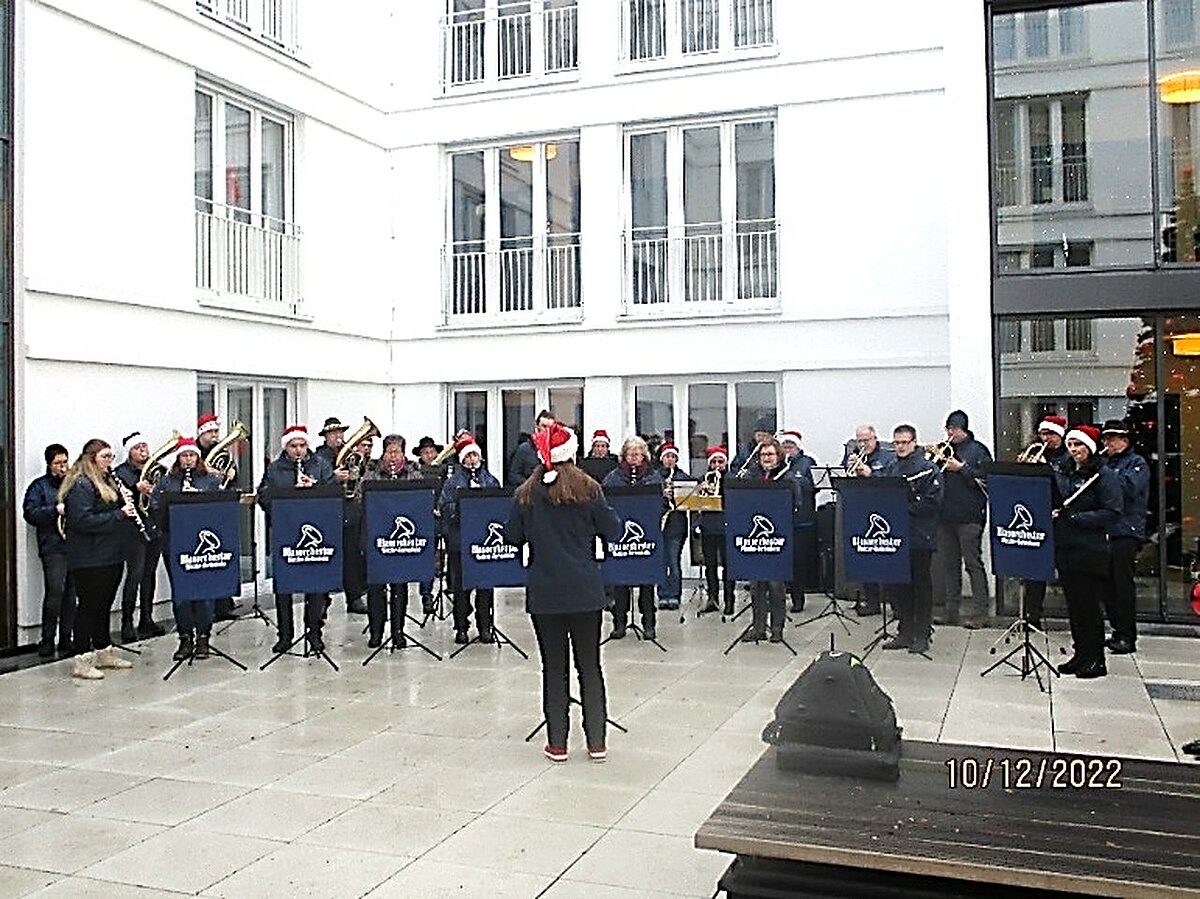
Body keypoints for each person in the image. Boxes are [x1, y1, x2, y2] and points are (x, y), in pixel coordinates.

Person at [505, 423, 621, 763]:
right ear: (573, 452)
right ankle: (597, 742)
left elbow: (512, 536)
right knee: (590, 666)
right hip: (585, 590)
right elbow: (613, 529)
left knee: (554, 668)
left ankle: (557, 743)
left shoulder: (526, 493)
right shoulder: (590, 489)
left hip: (545, 592)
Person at [60, 439, 138, 679]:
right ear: (91, 458)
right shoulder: (81, 484)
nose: (109, 462)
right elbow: (81, 521)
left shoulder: (106, 481)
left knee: (104, 605)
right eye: (105, 457)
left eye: (111, 457)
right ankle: (82, 658)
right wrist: (118, 515)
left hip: (110, 554)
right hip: (89, 557)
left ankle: (104, 650)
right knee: (88, 607)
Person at [256, 425, 336, 654]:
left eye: (302, 445)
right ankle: (285, 634)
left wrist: (314, 489)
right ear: (286, 448)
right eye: (293, 446)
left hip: (315, 533)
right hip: (286, 533)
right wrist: (289, 494)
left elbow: (332, 493)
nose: (298, 450)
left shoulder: (319, 465)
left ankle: (314, 633)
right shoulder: (275, 469)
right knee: (284, 587)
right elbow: (264, 496)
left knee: (315, 586)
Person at [1053, 425, 1121, 680]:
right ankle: (1080, 654)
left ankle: (1095, 659)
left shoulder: (1104, 476)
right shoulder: (1067, 473)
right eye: (1070, 445)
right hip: (1067, 547)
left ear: (1090, 447)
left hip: (1091, 549)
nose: (1073, 450)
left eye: (1078, 445)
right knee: (1075, 607)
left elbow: (1113, 512)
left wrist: (1077, 517)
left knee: (1089, 607)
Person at [151, 438, 222, 661]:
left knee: (204, 592)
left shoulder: (209, 480)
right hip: (176, 542)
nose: (188, 460)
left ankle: (203, 637)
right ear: (178, 458)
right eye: (184, 456)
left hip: (201, 545)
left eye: (192, 455)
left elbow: (219, 509)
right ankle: (184, 637)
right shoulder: (166, 481)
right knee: (181, 593)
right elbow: (155, 507)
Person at [882, 425, 943, 654]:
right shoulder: (891, 467)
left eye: (904, 442)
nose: (900, 447)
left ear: (914, 442)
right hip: (896, 535)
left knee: (921, 585)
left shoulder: (928, 468)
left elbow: (933, 503)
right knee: (899, 586)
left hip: (919, 534)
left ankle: (922, 633)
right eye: (896, 443)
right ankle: (905, 631)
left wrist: (906, 505)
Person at [933, 410, 993, 627]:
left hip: (970, 517)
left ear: (964, 429)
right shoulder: (943, 449)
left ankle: (981, 612)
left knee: (973, 564)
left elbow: (986, 481)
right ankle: (951, 610)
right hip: (945, 515)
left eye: (955, 429)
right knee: (949, 565)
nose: (951, 433)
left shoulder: (978, 451)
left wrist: (962, 469)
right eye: (948, 429)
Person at [439, 433, 501, 644]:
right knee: (461, 587)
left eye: (475, 455)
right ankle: (461, 626)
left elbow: (496, 508)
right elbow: (445, 507)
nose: (472, 460)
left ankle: (485, 626)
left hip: (483, 543)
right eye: (468, 456)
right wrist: (463, 505)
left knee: (485, 587)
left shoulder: (490, 480)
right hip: (460, 541)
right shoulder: (453, 483)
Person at [364, 434, 423, 648]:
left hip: (401, 543)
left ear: (403, 454)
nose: (392, 456)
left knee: (400, 586)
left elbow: (421, 500)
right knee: (376, 587)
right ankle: (376, 631)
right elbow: (362, 497)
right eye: (389, 451)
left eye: (397, 452)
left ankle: (398, 631)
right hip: (377, 538)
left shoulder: (413, 472)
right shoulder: (372, 472)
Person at [602, 435, 663, 639]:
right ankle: (619, 623)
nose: (634, 458)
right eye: (630, 454)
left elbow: (660, 504)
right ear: (624, 456)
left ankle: (649, 623)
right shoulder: (613, 477)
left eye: (638, 454)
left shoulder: (653, 476)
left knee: (647, 583)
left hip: (646, 537)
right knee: (620, 582)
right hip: (620, 538)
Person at [1100, 419, 1150, 655]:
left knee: (1122, 584)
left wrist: (1104, 471)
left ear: (1124, 441)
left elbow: (1129, 489)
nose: (1108, 443)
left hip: (1126, 530)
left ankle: (1128, 635)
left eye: (1112, 439)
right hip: (1106, 530)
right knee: (1107, 585)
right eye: (1106, 439)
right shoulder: (1105, 463)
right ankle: (1116, 631)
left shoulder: (1136, 463)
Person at [22, 443, 76, 657]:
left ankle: (66, 638)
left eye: (65, 462)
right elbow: (30, 513)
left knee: (71, 595)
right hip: (53, 546)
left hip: (73, 544)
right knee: (55, 592)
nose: (63, 467)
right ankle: (47, 639)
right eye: (58, 463)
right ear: (49, 465)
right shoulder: (39, 487)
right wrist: (55, 510)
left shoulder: (73, 484)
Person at [739, 438, 794, 643]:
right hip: (757, 542)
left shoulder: (786, 476)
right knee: (757, 585)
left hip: (778, 539)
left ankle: (777, 628)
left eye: (770, 454)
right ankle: (758, 627)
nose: (766, 459)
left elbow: (795, 501)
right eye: (763, 455)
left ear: (778, 456)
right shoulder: (753, 476)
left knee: (776, 585)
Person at [113, 432, 165, 641]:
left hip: (153, 526)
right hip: (133, 530)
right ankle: (127, 622)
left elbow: (163, 491)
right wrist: (137, 489)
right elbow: (117, 497)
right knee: (135, 574)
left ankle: (146, 618)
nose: (143, 451)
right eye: (138, 448)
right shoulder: (120, 473)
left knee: (149, 575)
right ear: (129, 452)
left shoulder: (155, 470)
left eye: (145, 447)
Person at [1020, 415, 1069, 630]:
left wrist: (1046, 468)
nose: (1046, 438)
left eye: (1050, 434)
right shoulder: (1036, 452)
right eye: (1043, 434)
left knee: (1066, 569)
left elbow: (1065, 488)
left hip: (1061, 518)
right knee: (1033, 571)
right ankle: (1032, 617)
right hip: (1037, 517)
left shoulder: (1069, 457)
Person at [843, 424, 896, 615]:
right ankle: (871, 602)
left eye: (866, 440)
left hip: (884, 513)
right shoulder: (854, 455)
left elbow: (892, 481)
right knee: (865, 556)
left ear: (875, 439)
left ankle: (896, 604)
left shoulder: (888, 457)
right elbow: (845, 479)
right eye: (859, 441)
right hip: (861, 510)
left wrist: (870, 473)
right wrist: (850, 468)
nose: (863, 444)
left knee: (888, 559)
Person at [777, 430, 817, 613]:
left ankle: (798, 598)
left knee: (799, 561)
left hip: (802, 520)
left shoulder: (807, 463)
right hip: (781, 520)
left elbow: (814, 487)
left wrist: (795, 478)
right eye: (784, 446)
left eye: (790, 446)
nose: (787, 450)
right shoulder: (779, 465)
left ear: (797, 447)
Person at [339, 432, 375, 616]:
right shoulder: (345, 462)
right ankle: (354, 596)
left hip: (367, 513)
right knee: (352, 556)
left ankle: (365, 590)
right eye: (363, 445)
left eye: (370, 445)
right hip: (350, 513)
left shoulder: (372, 465)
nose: (367, 449)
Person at [656, 443, 693, 611]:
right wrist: (661, 495)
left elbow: (690, 500)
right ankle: (663, 595)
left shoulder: (683, 477)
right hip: (659, 524)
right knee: (661, 562)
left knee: (673, 561)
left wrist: (678, 495)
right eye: (667, 457)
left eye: (673, 457)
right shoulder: (655, 477)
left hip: (676, 525)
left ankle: (674, 595)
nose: (670, 460)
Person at [698, 446, 734, 615]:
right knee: (710, 565)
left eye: (720, 461)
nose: (717, 465)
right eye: (714, 462)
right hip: (708, 526)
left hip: (726, 526)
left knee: (728, 565)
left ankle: (729, 600)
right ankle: (712, 597)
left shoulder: (732, 480)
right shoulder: (704, 479)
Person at [414, 435, 448, 614]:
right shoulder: (417, 472)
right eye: (425, 453)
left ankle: (451, 586)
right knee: (427, 557)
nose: (429, 456)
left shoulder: (445, 470)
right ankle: (426, 595)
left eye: (432, 452)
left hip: (444, 516)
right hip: (427, 518)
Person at [508, 409, 555, 486]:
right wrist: (531, 484)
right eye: (544, 426)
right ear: (536, 425)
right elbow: (513, 476)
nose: (547, 430)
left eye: (550, 428)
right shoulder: (524, 450)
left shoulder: (559, 450)